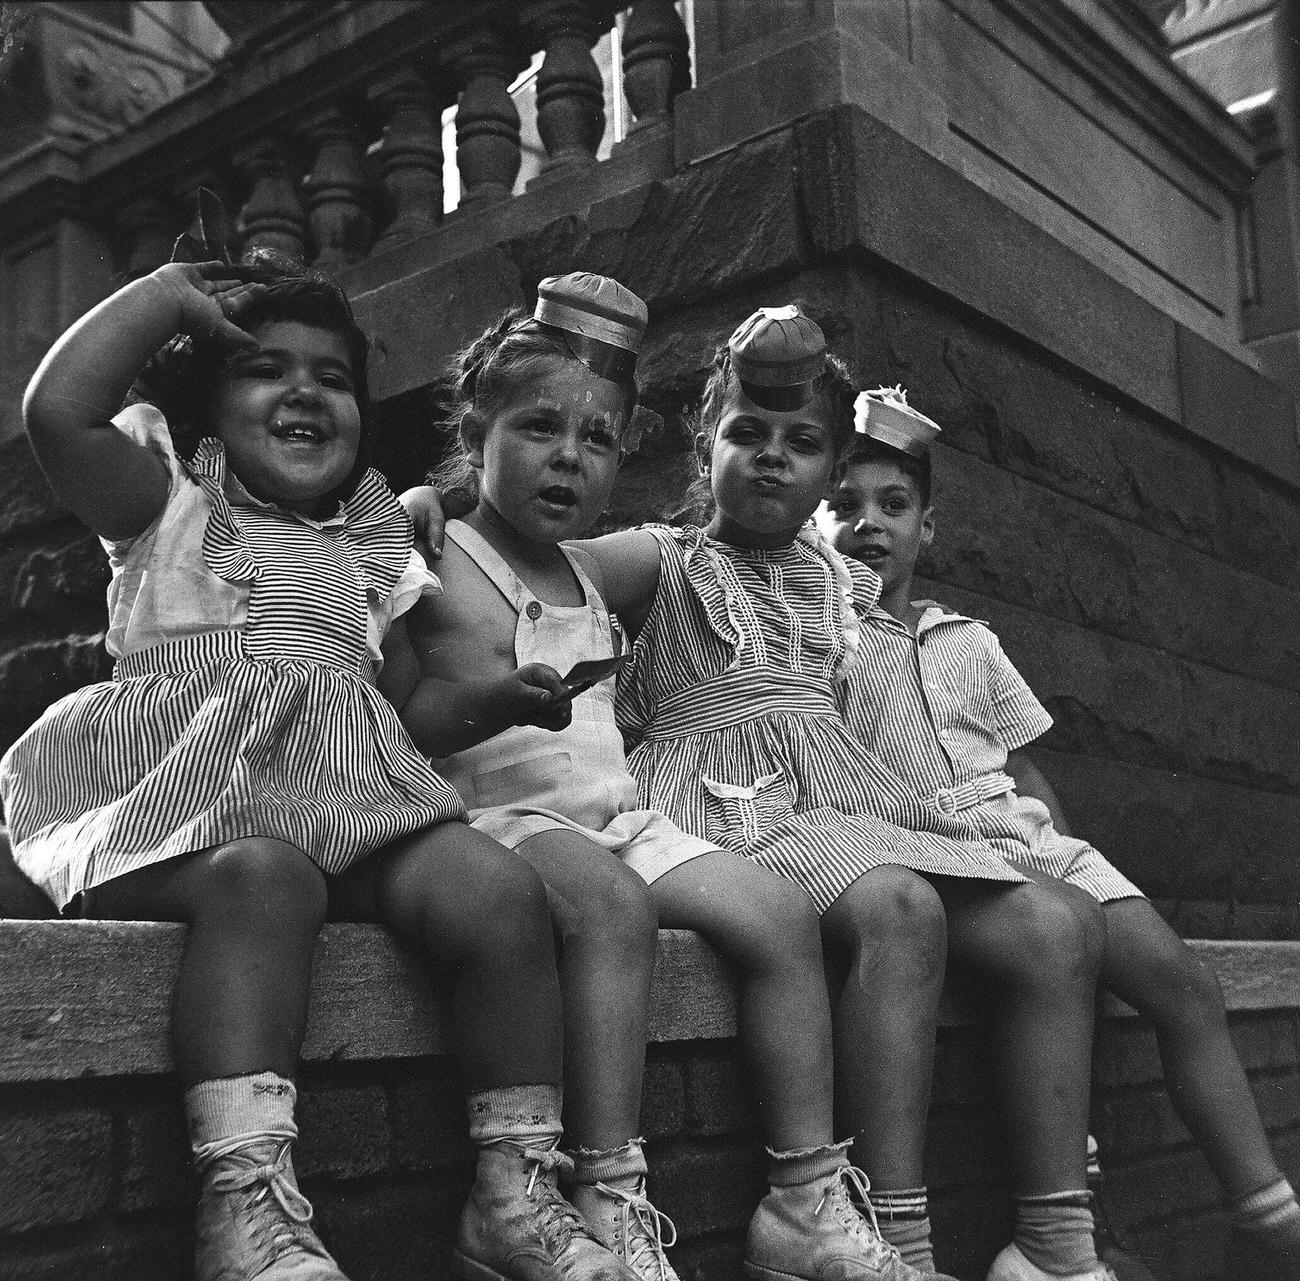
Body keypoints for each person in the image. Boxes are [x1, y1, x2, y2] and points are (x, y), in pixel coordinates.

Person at [406, 306, 1113, 1281]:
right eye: (748, 434)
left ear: (831, 473)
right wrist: (416, 503)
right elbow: (523, 555)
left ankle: (1056, 1248)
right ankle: (892, 1235)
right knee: (899, 910)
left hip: (838, 803)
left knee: (1062, 927)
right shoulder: (662, 556)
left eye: (801, 444)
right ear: (706, 444)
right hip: (725, 803)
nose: (773, 459)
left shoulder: (839, 583)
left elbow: (903, 689)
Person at [0, 243, 628, 1281]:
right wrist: (166, 300)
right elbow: (57, 410)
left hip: (350, 804)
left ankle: (514, 1187)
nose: (304, 390)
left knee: (493, 888)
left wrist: (497, 702)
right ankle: (245, 1200)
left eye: (331, 377)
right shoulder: (165, 505)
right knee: (265, 873)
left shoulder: (370, 547)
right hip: (185, 799)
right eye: (265, 368)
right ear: (208, 405)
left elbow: (411, 705)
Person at [818, 385, 1300, 1281]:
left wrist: (1081, 873)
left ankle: (1266, 1209)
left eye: (894, 506)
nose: (868, 525)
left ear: (929, 527)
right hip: (934, 852)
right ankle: (1056, 1235)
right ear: (816, 520)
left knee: (1186, 984)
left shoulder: (969, 638)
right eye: (844, 505)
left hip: (1033, 848)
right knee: (1050, 946)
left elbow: (1025, 770)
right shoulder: (825, 639)